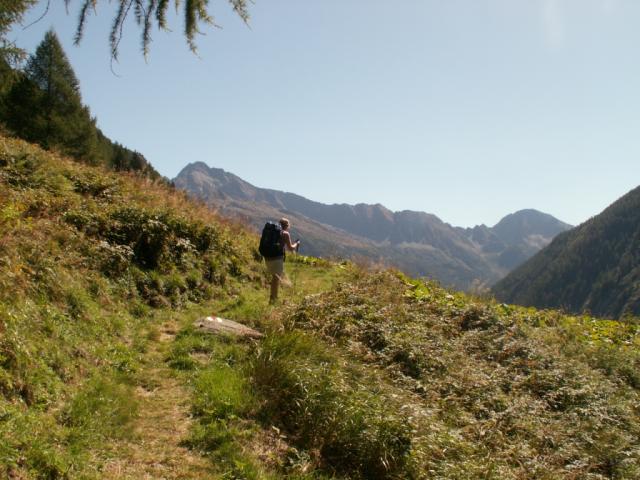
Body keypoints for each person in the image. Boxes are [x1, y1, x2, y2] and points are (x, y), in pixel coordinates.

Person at [265, 217, 300, 304]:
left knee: (274, 277)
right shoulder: (285, 234)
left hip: (267, 256)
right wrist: (296, 244)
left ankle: (273, 297)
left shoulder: (272, 231)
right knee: (275, 278)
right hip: (277, 258)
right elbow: (291, 248)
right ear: (287, 226)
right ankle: (273, 299)